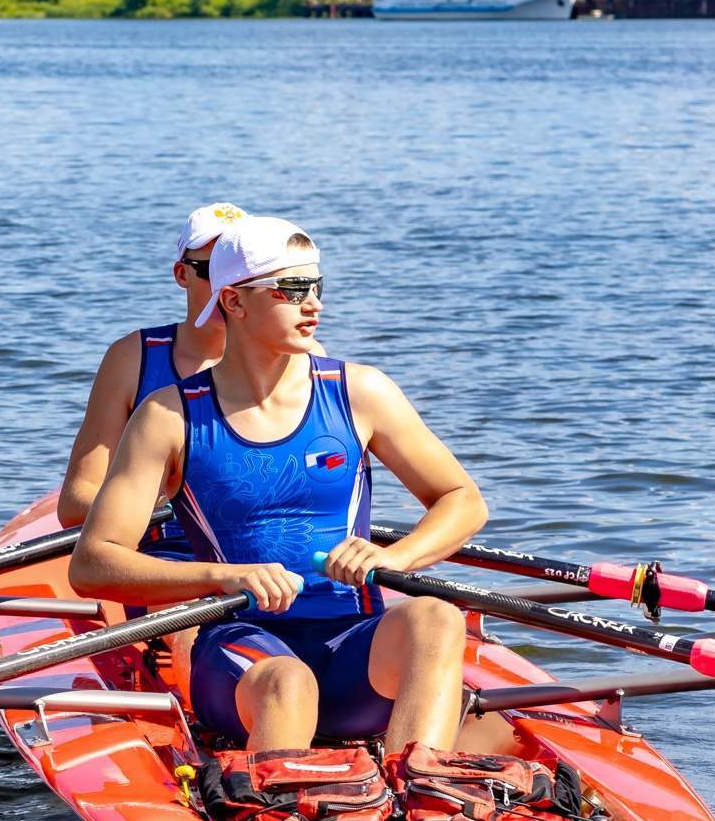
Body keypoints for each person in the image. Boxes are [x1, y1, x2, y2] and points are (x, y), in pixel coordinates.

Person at [68, 215, 488, 765]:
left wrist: (395, 554)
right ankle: (273, 813)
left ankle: (424, 787)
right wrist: (224, 577)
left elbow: (463, 500)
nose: (312, 303)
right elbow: (92, 564)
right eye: (290, 290)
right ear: (234, 302)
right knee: (289, 682)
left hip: (352, 644)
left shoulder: (362, 392)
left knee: (437, 617)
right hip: (241, 651)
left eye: (316, 287)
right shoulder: (168, 416)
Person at [55, 201, 243, 533]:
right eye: (212, 270)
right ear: (182, 275)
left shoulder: (297, 358)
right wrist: (164, 503)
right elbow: (75, 502)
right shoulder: (131, 360)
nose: (226, 287)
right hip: (163, 555)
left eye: (242, 272)